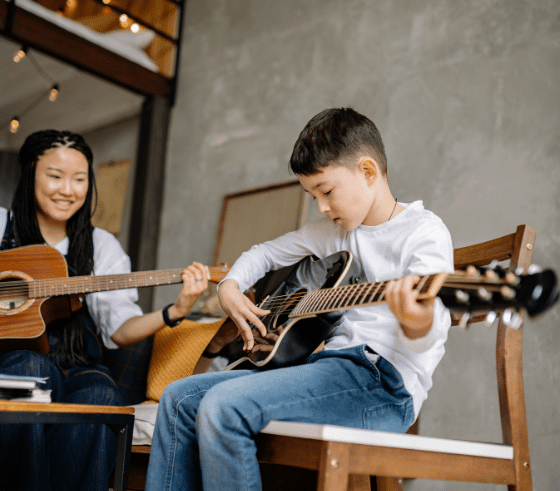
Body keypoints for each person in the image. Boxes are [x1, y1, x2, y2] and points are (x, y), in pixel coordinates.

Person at [144, 107, 454, 491]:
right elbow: (263, 253)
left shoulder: (423, 232)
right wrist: (229, 287)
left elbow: (433, 326)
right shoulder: (334, 232)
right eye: (312, 196)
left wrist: (416, 320)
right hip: (327, 368)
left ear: (368, 172)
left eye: (326, 191)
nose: (321, 207)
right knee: (176, 399)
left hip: (383, 385)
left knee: (223, 407)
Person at [0, 129, 210, 491]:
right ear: (30, 174)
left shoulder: (102, 246)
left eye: (79, 179)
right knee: (30, 369)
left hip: (77, 365)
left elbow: (119, 330)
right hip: (0, 364)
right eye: (55, 176)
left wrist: (175, 311)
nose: (68, 189)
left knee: (103, 396)